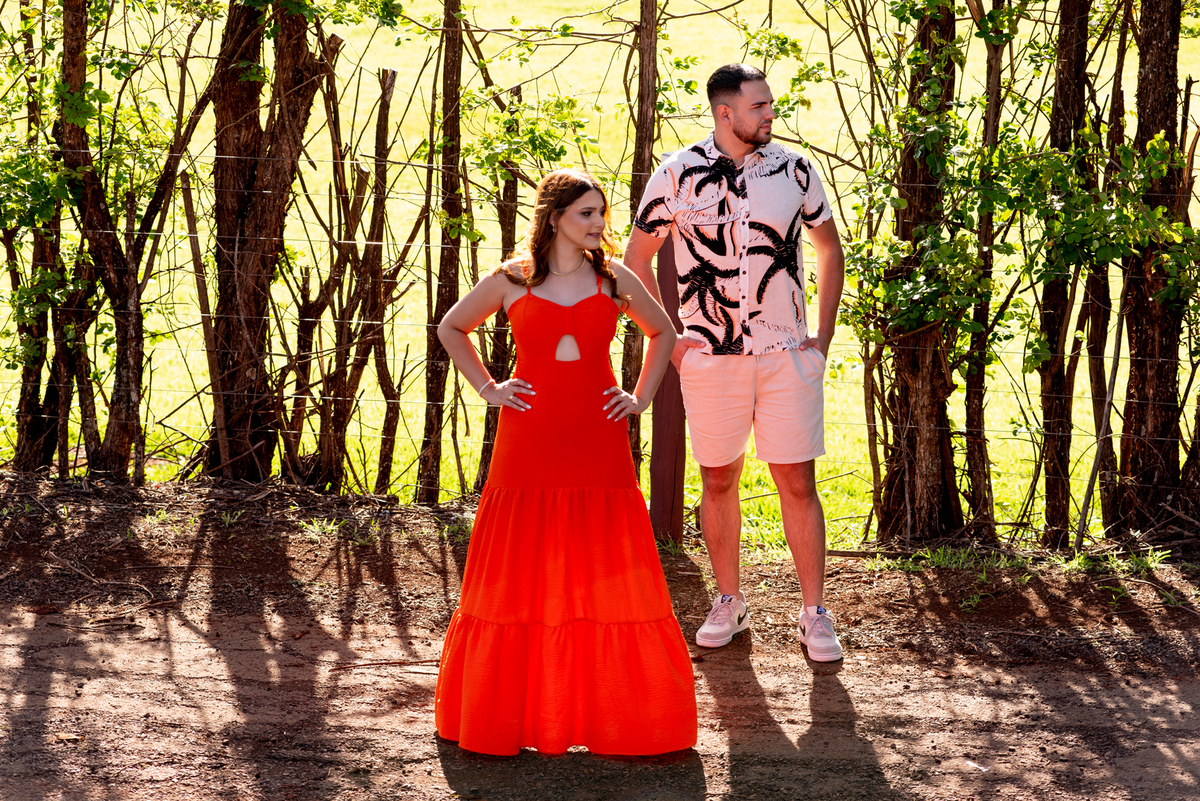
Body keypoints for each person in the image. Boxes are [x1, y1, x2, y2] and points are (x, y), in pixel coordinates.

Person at [433, 168, 698, 755]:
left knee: (606, 561)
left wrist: (640, 398)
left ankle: (617, 717)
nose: (599, 223)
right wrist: (488, 388)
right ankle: (509, 715)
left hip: (597, 438)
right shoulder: (513, 278)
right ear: (555, 218)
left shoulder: (614, 278)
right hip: (528, 438)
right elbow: (452, 327)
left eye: (602, 213)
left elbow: (664, 332)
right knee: (520, 559)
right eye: (586, 213)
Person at [624, 64, 847, 662]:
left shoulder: (796, 170)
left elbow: (829, 249)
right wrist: (670, 339)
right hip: (710, 359)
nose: (771, 114)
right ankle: (730, 600)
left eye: (770, 105)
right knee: (718, 479)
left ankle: (814, 612)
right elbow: (634, 261)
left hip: (785, 356)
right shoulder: (676, 174)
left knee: (797, 480)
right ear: (726, 113)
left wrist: (822, 335)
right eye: (759, 106)